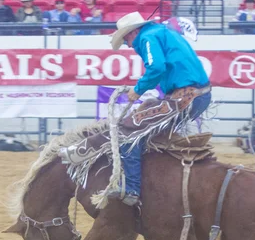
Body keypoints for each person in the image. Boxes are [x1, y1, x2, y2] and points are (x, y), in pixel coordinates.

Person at [59, 12, 211, 206]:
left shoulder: (148, 37)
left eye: (126, 39)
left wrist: (138, 90)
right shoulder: (161, 32)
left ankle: (132, 190)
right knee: (145, 129)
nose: (129, 45)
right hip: (194, 95)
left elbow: (156, 68)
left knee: (127, 133)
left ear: (134, 32)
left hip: (185, 97)